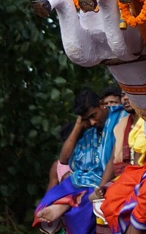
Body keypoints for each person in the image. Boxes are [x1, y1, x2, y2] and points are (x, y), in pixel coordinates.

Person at [35, 88, 123, 234]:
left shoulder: (120, 116)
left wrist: (100, 188)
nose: (93, 122)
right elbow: (64, 159)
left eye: (93, 115)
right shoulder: (91, 130)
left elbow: (113, 158)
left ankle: (67, 204)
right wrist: (78, 125)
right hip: (85, 181)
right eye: (88, 119)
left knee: (87, 200)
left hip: (107, 179)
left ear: (102, 104)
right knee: (58, 190)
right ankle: (66, 203)